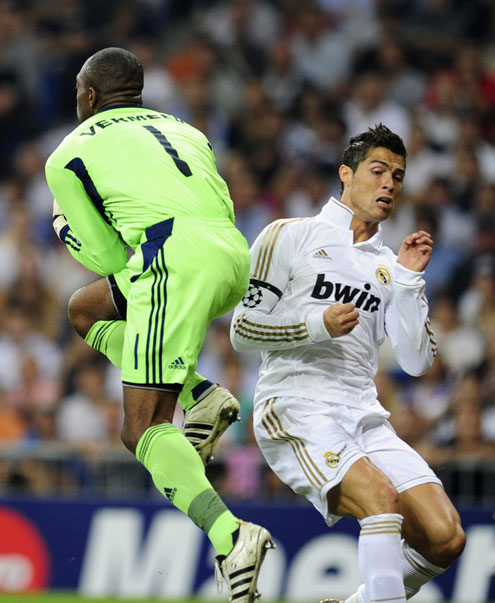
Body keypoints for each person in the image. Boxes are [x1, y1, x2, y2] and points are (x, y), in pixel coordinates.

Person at [45, 47, 273, 601]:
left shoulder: (69, 154)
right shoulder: (184, 128)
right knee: (85, 309)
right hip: (230, 256)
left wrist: (66, 230)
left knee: (141, 427)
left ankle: (232, 537)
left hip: (172, 261)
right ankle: (203, 395)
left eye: (79, 90)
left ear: (89, 96)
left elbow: (107, 258)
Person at [230, 124, 466, 603]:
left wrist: (405, 281)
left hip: (363, 416)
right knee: (380, 500)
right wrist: (316, 325)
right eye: (378, 171)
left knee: (445, 538)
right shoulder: (289, 235)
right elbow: (242, 330)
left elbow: (418, 363)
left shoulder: (386, 265)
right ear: (346, 174)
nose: (389, 184)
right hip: (295, 406)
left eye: (398, 176)